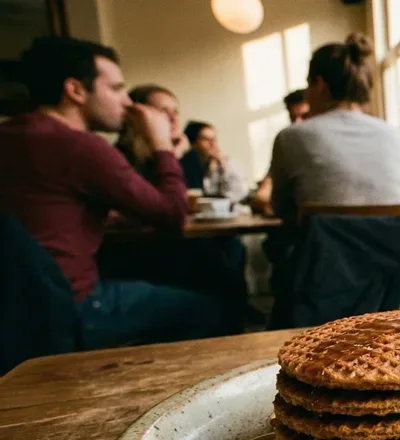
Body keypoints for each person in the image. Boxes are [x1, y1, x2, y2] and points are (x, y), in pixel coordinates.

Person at [0, 36, 234, 349]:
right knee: (209, 310)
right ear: (76, 90)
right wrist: (162, 144)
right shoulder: (81, 146)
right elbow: (173, 214)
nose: (126, 101)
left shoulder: (12, 135)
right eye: (115, 88)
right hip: (70, 304)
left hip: (15, 305)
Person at [268, 33, 400, 225]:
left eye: (309, 86)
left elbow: (281, 208)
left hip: (328, 254)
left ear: (320, 85)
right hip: (398, 253)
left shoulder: (290, 138)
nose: (306, 95)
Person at [249, 89, 309, 214]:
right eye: (293, 118)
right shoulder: (290, 147)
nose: (297, 124)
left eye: (304, 116)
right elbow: (260, 198)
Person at [115, 84, 186, 174]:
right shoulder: (117, 158)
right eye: (163, 111)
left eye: (175, 112)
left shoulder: (184, 152)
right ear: (136, 115)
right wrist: (172, 157)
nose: (173, 119)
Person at [180, 120, 248, 202]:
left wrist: (224, 169)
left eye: (214, 139)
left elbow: (241, 193)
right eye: (206, 139)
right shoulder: (186, 164)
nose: (213, 143)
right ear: (193, 143)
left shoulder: (226, 163)